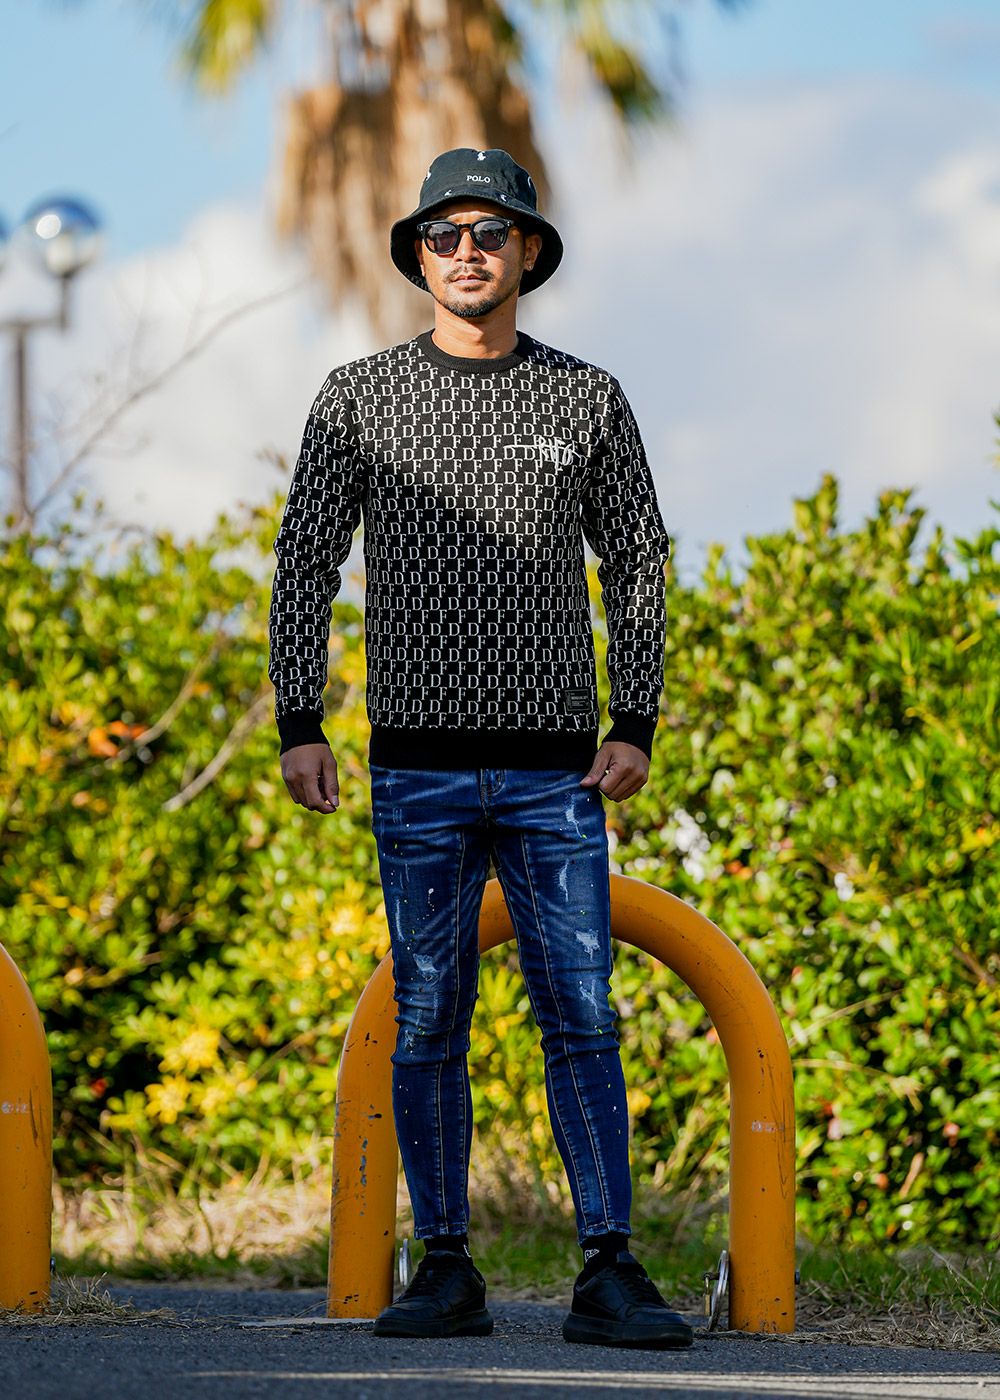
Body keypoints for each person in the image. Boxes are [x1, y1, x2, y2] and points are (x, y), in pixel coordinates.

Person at [268, 147, 692, 1351]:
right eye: (444, 233)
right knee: (427, 1014)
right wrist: (300, 719)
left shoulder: (587, 398)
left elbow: (638, 561)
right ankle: (445, 1263)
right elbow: (304, 560)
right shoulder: (357, 396)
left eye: (490, 232)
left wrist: (635, 718)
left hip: (559, 768)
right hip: (414, 767)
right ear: (417, 255)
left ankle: (609, 1266)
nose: (467, 251)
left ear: (527, 253)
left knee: (583, 1012)